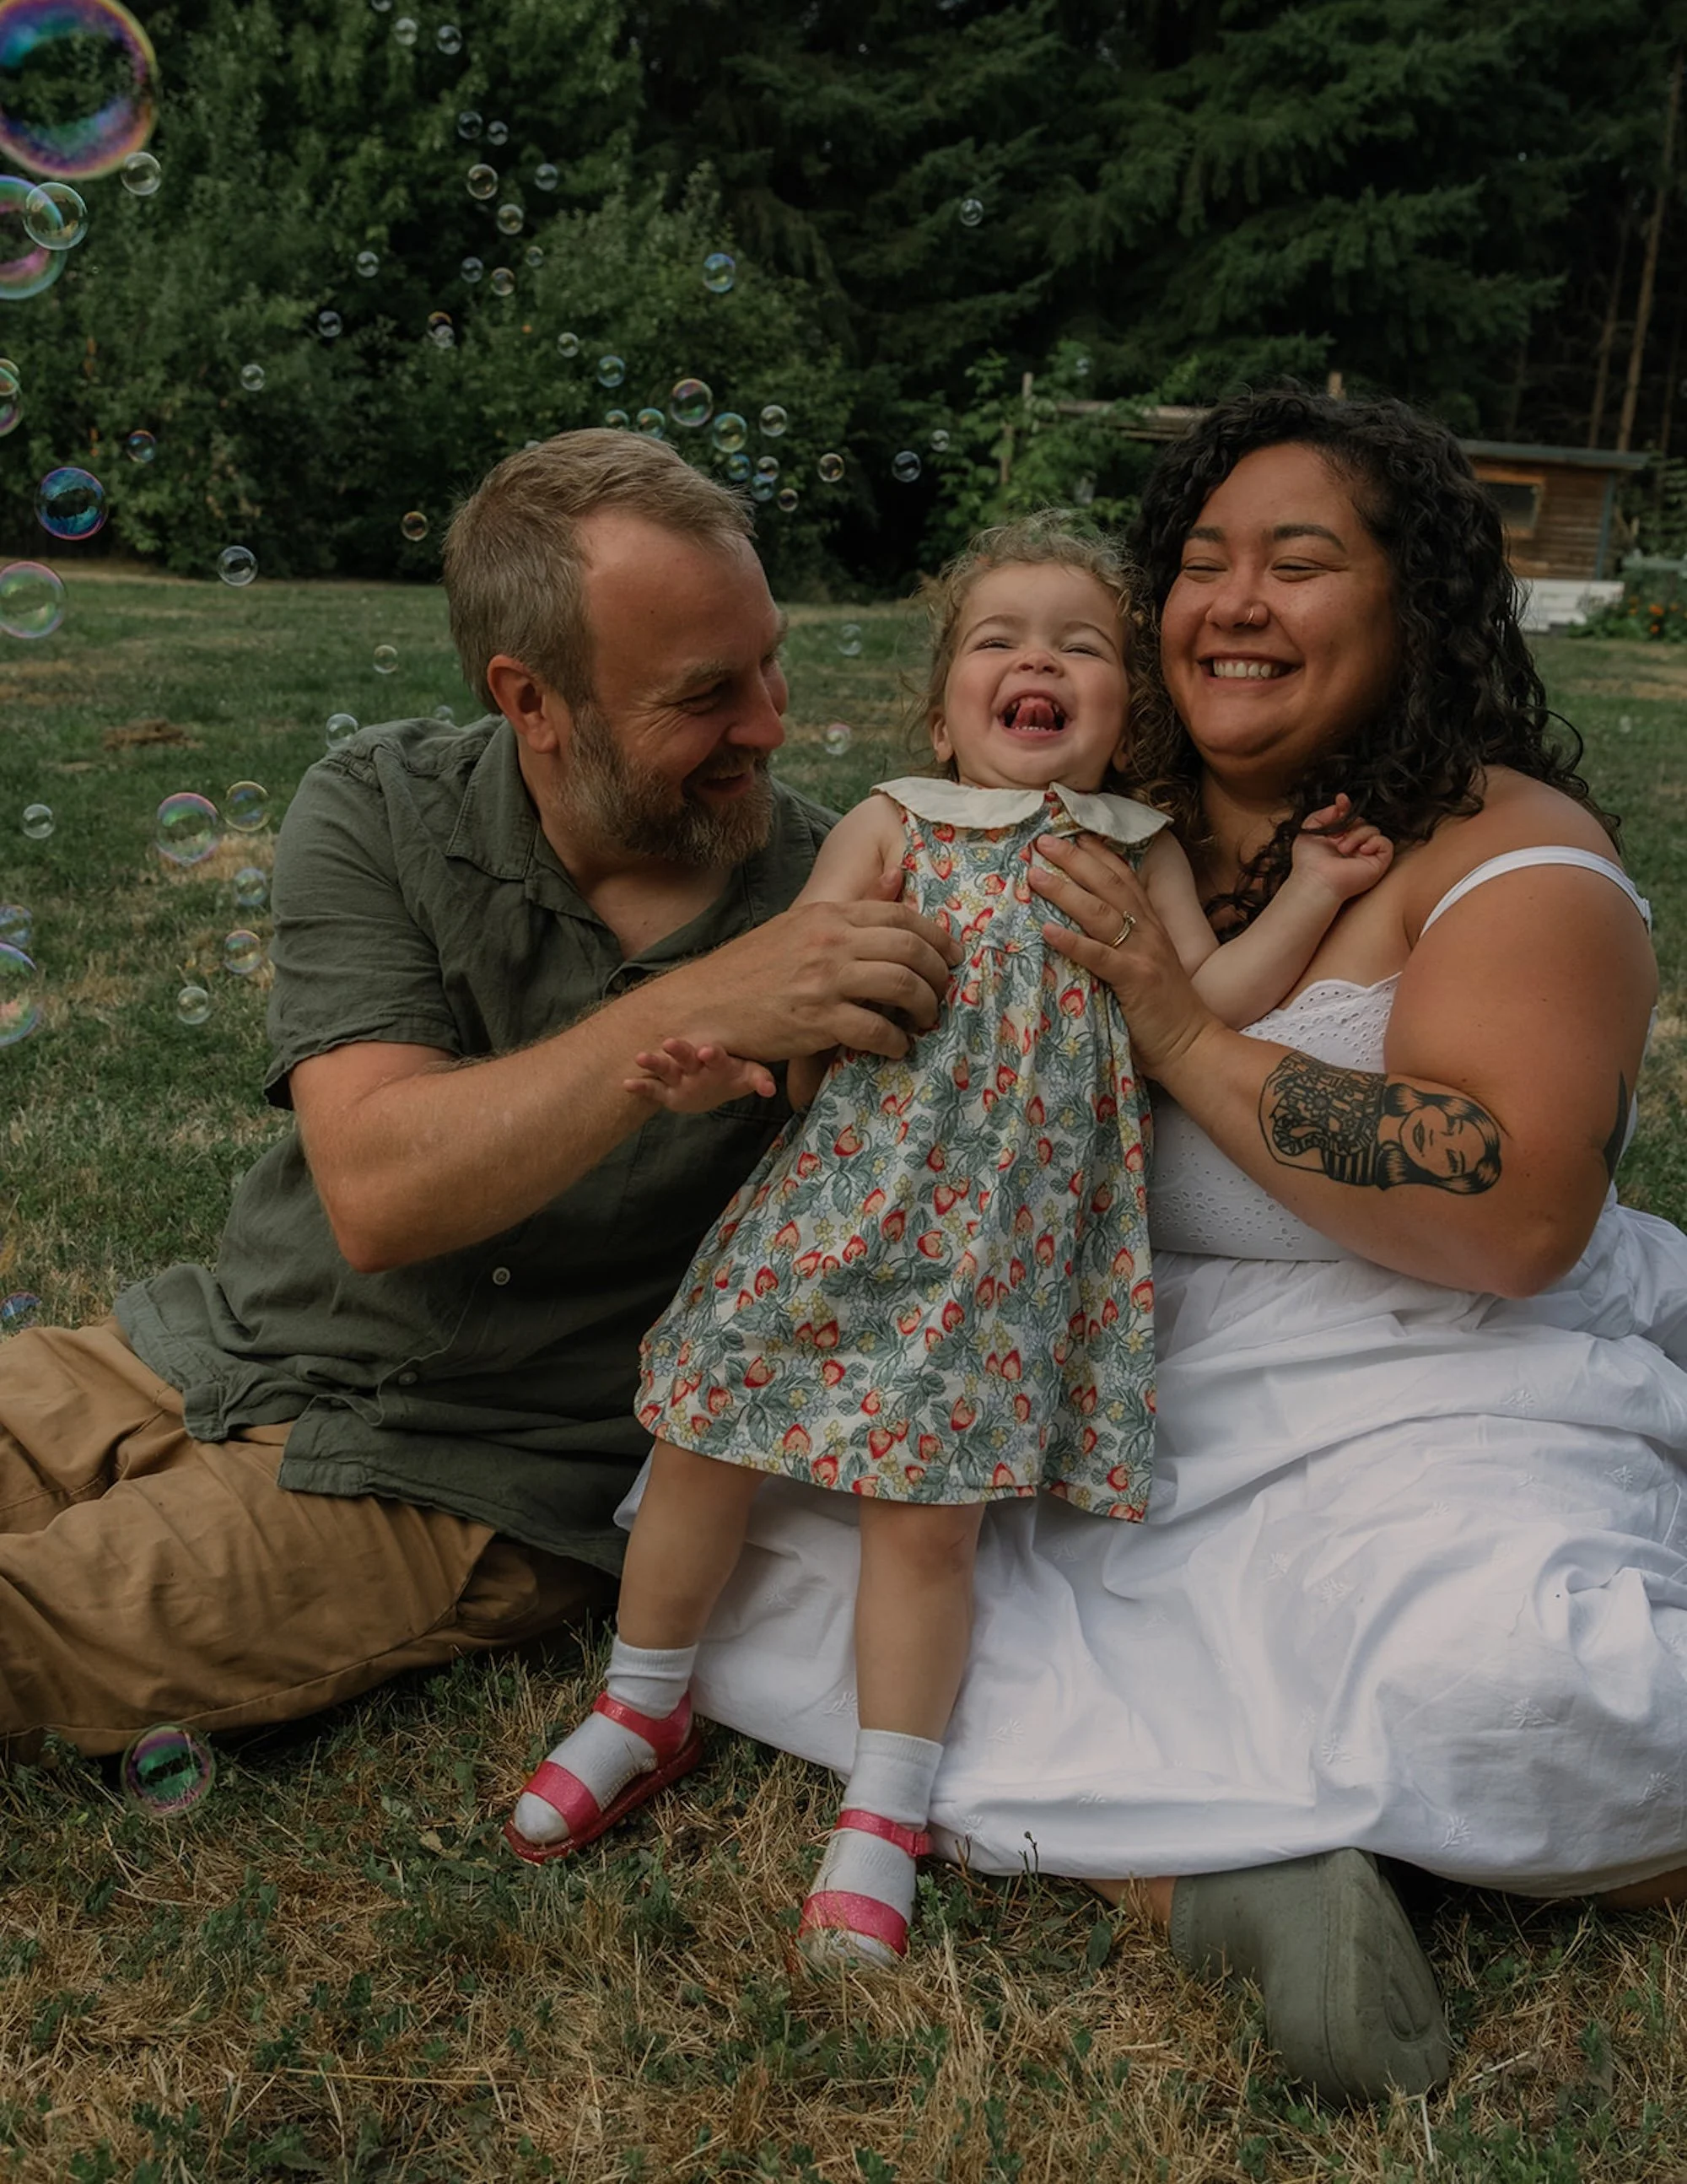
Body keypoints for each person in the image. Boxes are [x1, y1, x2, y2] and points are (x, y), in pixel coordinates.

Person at [657, 388, 1687, 2102]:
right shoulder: (1084, 813)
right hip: (1104, 1357)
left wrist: (1182, 1029)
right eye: (1201, 563)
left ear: (1415, 603)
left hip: (1431, 1366)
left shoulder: (1510, 853)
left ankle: (1207, 1824)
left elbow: (1513, 1214)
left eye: (1300, 562)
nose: (1233, 604)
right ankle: (1235, 1876)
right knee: (746, 1544)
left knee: (1531, 1690)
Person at [501, 520, 1392, 1973]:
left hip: (999, 1256)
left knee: (927, 1526)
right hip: (834, 1212)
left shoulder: (1136, 849)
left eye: (1081, 646)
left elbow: (1206, 1003)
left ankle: (889, 1807)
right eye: (999, 639)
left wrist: (1309, 894)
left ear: (1124, 716)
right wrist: (716, 1063)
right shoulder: (894, 822)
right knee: (702, 1441)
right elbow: (795, 987)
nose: (1039, 659)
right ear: (943, 711)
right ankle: (641, 1702)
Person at [0, 430, 962, 1761]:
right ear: (531, 699)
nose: (770, 724)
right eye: (706, 694)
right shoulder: (385, 806)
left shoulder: (848, 903)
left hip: (463, 1474)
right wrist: (701, 1003)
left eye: (769, 663)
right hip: (199, 1353)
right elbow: (379, 1192)